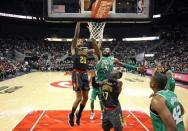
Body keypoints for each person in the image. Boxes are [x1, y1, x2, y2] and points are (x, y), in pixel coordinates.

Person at [68, 22, 98, 127]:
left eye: (82, 40)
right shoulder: (74, 49)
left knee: (86, 97)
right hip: (76, 74)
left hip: (84, 74)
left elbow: (96, 48)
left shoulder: (85, 51)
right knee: (79, 98)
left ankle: (79, 113)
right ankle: (71, 114)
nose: (81, 41)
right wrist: (79, 23)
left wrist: (92, 33)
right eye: (79, 40)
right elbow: (76, 35)